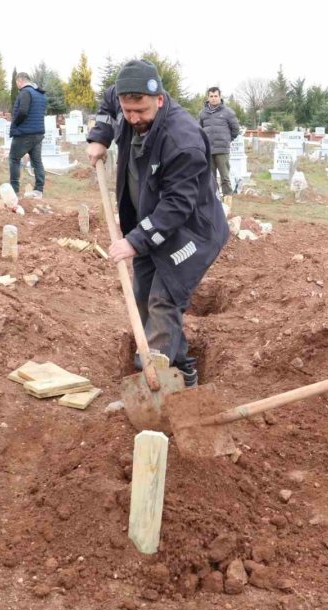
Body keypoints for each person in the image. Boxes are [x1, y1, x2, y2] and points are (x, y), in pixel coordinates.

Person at [86, 60, 229, 387]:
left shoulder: (183, 140)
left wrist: (134, 242)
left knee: (163, 300)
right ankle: (182, 366)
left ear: (160, 99)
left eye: (142, 111)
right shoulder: (122, 99)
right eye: (129, 110)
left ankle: (159, 383)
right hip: (149, 224)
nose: (134, 118)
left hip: (190, 233)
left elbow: (178, 205)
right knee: (142, 294)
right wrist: (101, 136)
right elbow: (109, 104)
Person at [9, 72, 47, 199]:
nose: (17, 86)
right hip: (38, 133)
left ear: (20, 81)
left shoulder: (25, 92)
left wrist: (15, 124)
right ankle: (38, 190)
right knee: (37, 161)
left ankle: (14, 191)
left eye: (16, 83)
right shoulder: (40, 94)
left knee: (14, 159)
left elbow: (23, 112)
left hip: (24, 133)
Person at [198, 86, 241, 197]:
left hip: (222, 150)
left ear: (220, 97)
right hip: (208, 150)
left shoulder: (228, 112)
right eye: (211, 96)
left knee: (225, 177)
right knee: (210, 177)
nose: (213, 98)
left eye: (215, 96)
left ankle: (227, 197)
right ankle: (212, 197)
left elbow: (236, 129)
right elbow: (198, 130)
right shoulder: (202, 113)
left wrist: (227, 139)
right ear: (208, 98)